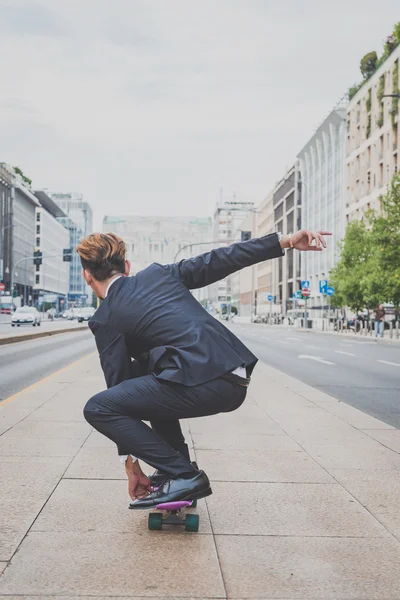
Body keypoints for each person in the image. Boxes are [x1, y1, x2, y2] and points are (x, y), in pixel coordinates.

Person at [77, 228, 331, 508]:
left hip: (208, 383)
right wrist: (285, 241)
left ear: (86, 275)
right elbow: (219, 259)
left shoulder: (105, 318)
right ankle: (174, 469)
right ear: (126, 267)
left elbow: (118, 389)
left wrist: (131, 465)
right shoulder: (158, 274)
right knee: (146, 374)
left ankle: (186, 475)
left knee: (98, 408)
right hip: (234, 372)